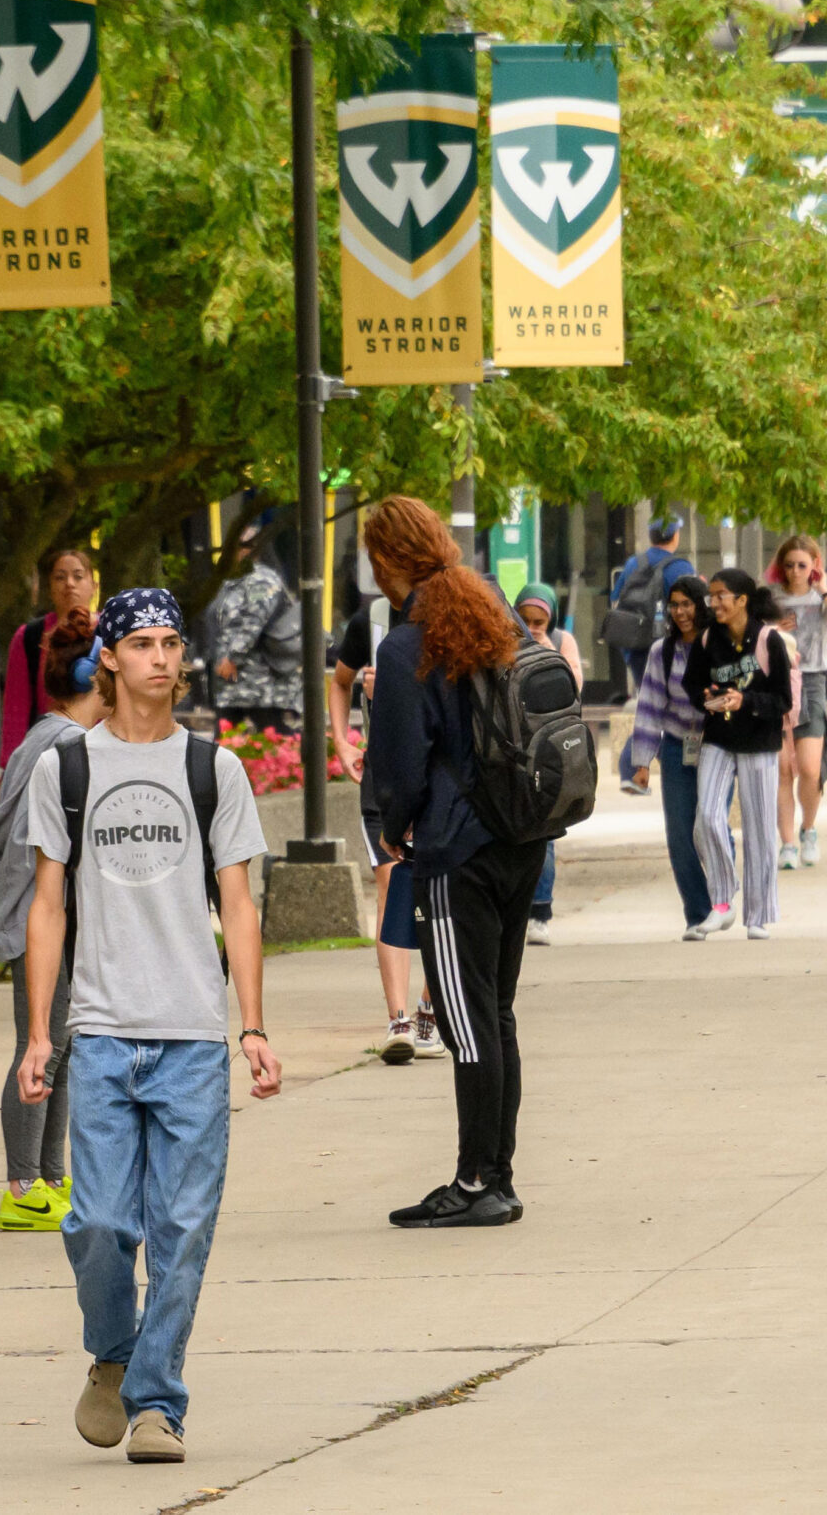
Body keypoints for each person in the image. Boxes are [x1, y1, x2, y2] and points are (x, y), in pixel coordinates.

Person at [16, 587, 275, 1465]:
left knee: (181, 1230)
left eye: (171, 643)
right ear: (111, 659)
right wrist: (40, 1034)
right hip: (100, 1031)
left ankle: (158, 1403)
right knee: (96, 1225)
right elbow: (46, 906)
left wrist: (252, 1027)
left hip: (192, 1036)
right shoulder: (68, 769)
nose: (161, 658)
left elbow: (238, 906)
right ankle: (114, 1351)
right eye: (143, 644)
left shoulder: (214, 770)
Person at [364, 495, 545, 1231]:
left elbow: (403, 767)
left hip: (455, 849)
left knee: (466, 1024)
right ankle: (496, 1175)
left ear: (389, 561)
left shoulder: (405, 646)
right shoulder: (494, 610)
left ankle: (476, 1182)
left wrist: (391, 828)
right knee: (494, 1013)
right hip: (520, 835)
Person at [0, 606, 106, 1231]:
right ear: (92, 676)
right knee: (38, 1050)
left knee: (61, 1051)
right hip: (39, 924)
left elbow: (2, 825)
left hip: (55, 921)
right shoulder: (61, 745)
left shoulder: (55, 737)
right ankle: (21, 1187)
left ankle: (50, 1177)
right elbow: (23, 834)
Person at [327, 588, 445, 1063]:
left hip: (442, 775)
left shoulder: (452, 612)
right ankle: (398, 1021)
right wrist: (342, 742)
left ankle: (429, 1013)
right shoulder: (371, 620)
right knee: (392, 886)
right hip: (385, 775)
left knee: (441, 892)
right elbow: (340, 682)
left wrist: (397, 690)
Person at [684, 570, 794, 940]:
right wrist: (707, 696)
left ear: (742, 600)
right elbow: (692, 684)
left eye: (720, 596)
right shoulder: (707, 639)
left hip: (759, 741)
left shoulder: (767, 640)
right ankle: (722, 901)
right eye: (711, 596)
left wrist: (744, 700)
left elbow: (782, 699)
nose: (713, 603)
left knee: (760, 829)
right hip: (718, 738)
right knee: (706, 817)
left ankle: (758, 916)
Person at [625, 577, 715, 938]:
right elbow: (649, 707)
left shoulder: (717, 645)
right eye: (674, 605)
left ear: (701, 605)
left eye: (687, 604)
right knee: (680, 835)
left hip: (717, 747)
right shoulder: (661, 652)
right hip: (678, 747)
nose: (680, 612)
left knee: (709, 826)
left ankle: (722, 896)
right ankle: (698, 914)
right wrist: (642, 762)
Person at [766, 536, 827, 867]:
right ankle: (787, 843)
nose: (795, 572)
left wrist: (825, 588)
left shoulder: (821, 597)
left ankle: (808, 828)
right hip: (777, 683)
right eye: (789, 565)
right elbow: (751, 636)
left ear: (814, 565)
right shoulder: (772, 599)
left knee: (811, 769)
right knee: (783, 770)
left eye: (802, 565)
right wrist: (774, 627)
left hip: (812, 682)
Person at [512, 583, 582, 947]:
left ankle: (540, 911)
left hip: (550, 751)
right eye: (525, 620)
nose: (532, 627)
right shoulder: (507, 641)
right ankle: (518, 909)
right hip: (517, 751)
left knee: (547, 833)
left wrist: (546, 652)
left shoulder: (560, 641)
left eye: (539, 621)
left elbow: (574, 687)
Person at [605, 514, 694, 790]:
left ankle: (634, 770)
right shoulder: (680, 567)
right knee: (666, 711)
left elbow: (615, 598)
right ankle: (634, 768)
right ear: (675, 535)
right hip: (667, 649)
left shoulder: (634, 562)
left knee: (650, 708)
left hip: (635, 646)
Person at [0, 546, 99, 761]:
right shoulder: (29, 637)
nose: (69, 584)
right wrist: (11, 765)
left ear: (94, 586)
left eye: (78, 576)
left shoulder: (113, 635)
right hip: (46, 752)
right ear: (50, 587)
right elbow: (16, 710)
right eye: (60, 577)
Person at [202, 529, 301, 733]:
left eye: (244, 545)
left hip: (260, 680)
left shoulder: (262, 580)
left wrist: (233, 657)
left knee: (272, 734)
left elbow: (254, 621)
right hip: (231, 683)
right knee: (226, 737)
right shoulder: (231, 580)